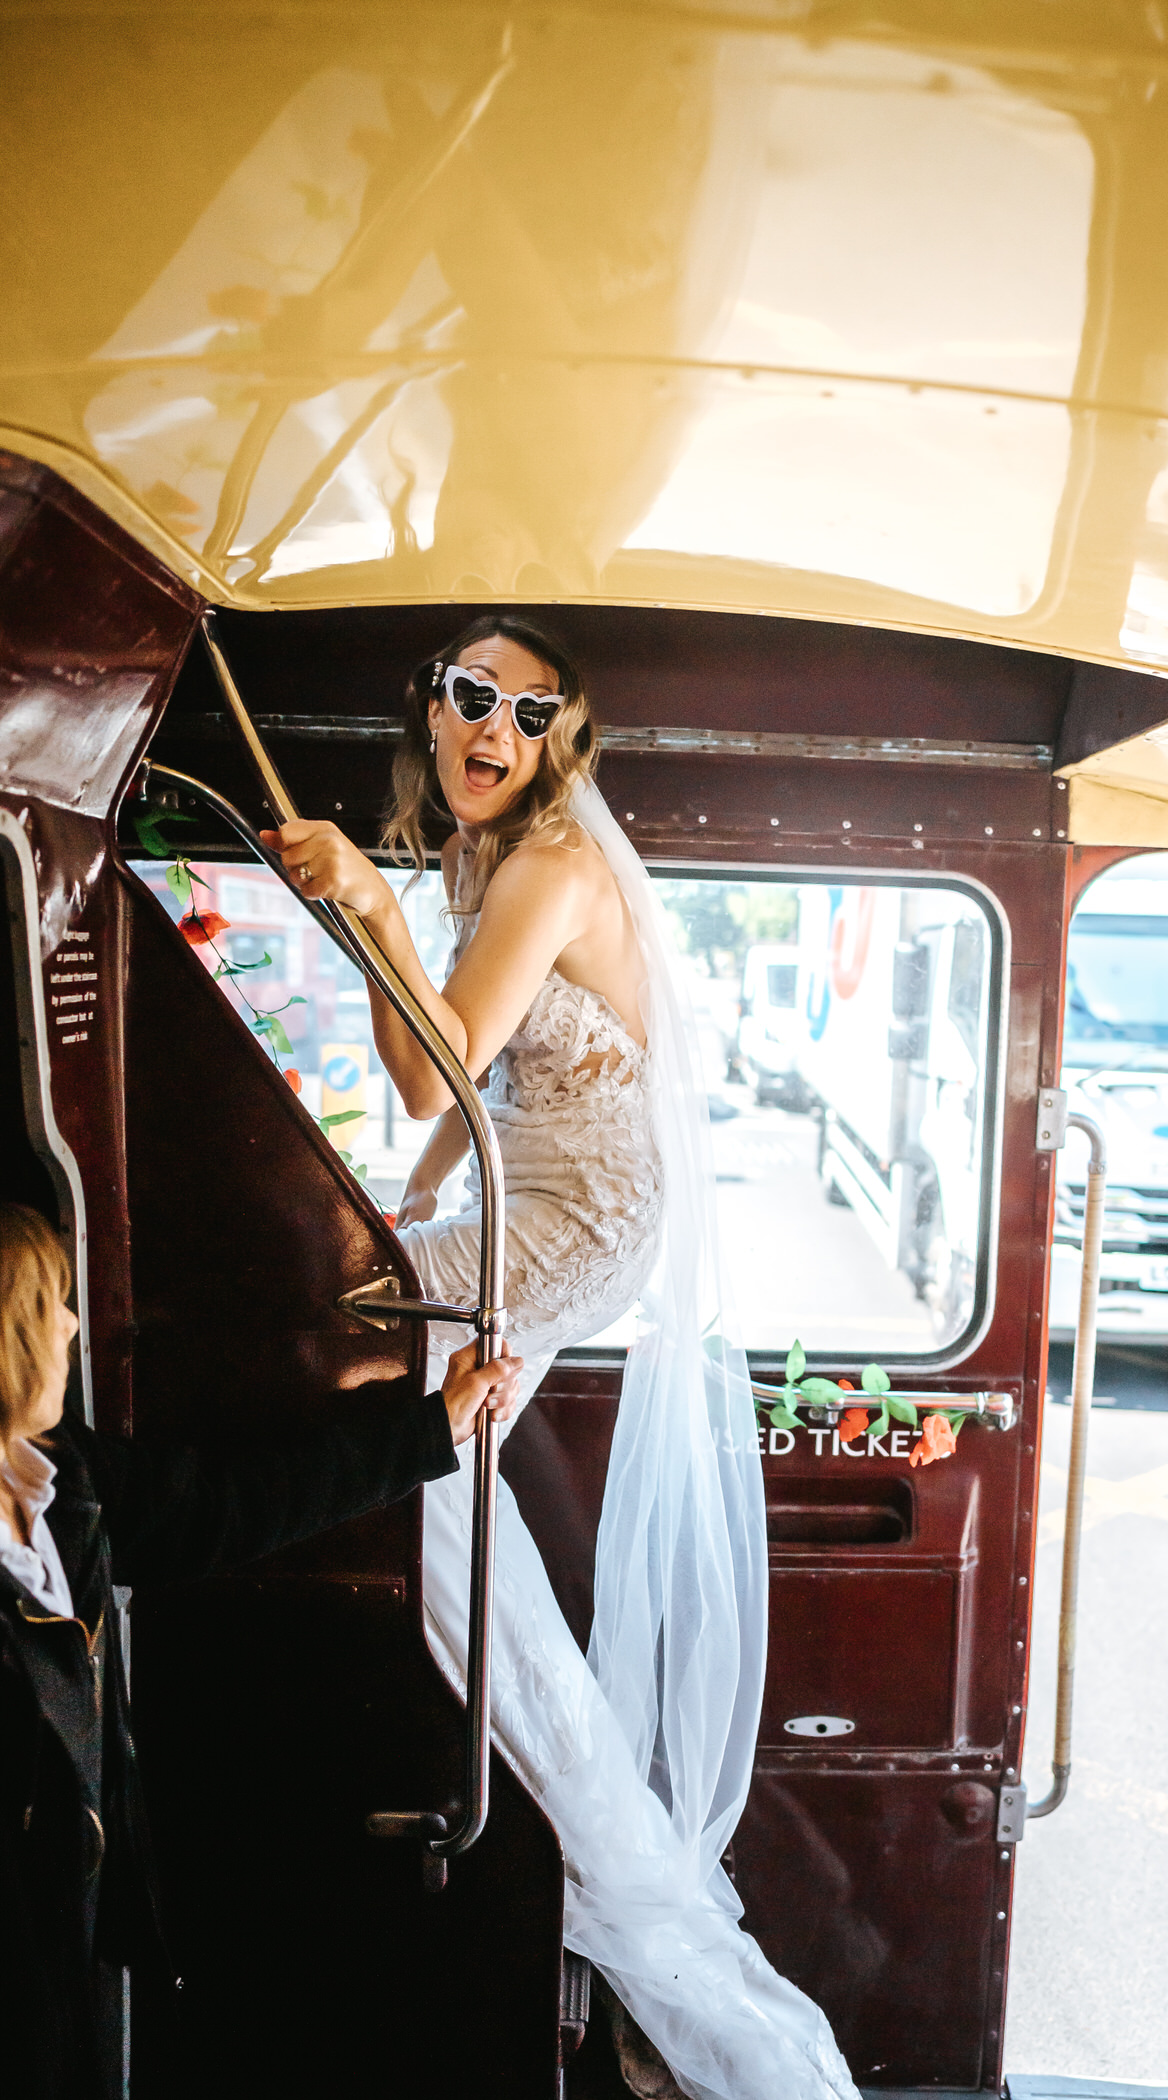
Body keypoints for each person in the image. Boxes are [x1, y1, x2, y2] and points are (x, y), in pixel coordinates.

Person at [262, 615, 860, 2100]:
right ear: (436, 707)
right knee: (383, 1344)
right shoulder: (498, 858)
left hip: (588, 1213)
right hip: (540, 1190)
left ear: (561, 741)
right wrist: (408, 1202)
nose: (494, 732)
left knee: (338, 1339)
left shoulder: (545, 864)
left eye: (531, 715)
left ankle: (528, 1753)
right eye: (471, 699)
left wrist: (364, 907)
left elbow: (426, 1071)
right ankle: (469, 1647)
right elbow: (457, 1111)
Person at [0, 1199, 521, 2100]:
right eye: (51, 1306)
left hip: (74, 1921)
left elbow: (226, 1505)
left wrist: (432, 1428)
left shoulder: (56, 1469)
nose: (76, 1325)